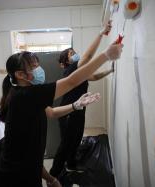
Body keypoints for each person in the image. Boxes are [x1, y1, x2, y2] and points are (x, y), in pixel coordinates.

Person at [0, 39, 122, 186]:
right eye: (33, 67)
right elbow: (71, 81)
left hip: (26, 172)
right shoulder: (25, 95)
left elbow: (51, 113)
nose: (39, 69)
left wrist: (76, 105)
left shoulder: (24, 95)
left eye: (37, 64)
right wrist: (105, 55)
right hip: (14, 179)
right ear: (20, 74)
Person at [49, 21, 114, 179]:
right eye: (71, 53)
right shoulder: (71, 69)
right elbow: (88, 56)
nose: (74, 53)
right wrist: (101, 34)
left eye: (73, 51)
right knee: (66, 144)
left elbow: (95, 76)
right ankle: (54, 174)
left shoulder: (79, 72)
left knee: (76, 139)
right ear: (66, 61)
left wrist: (110, 70)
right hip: (68, 112)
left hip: (78, 110)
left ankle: (71, 165)